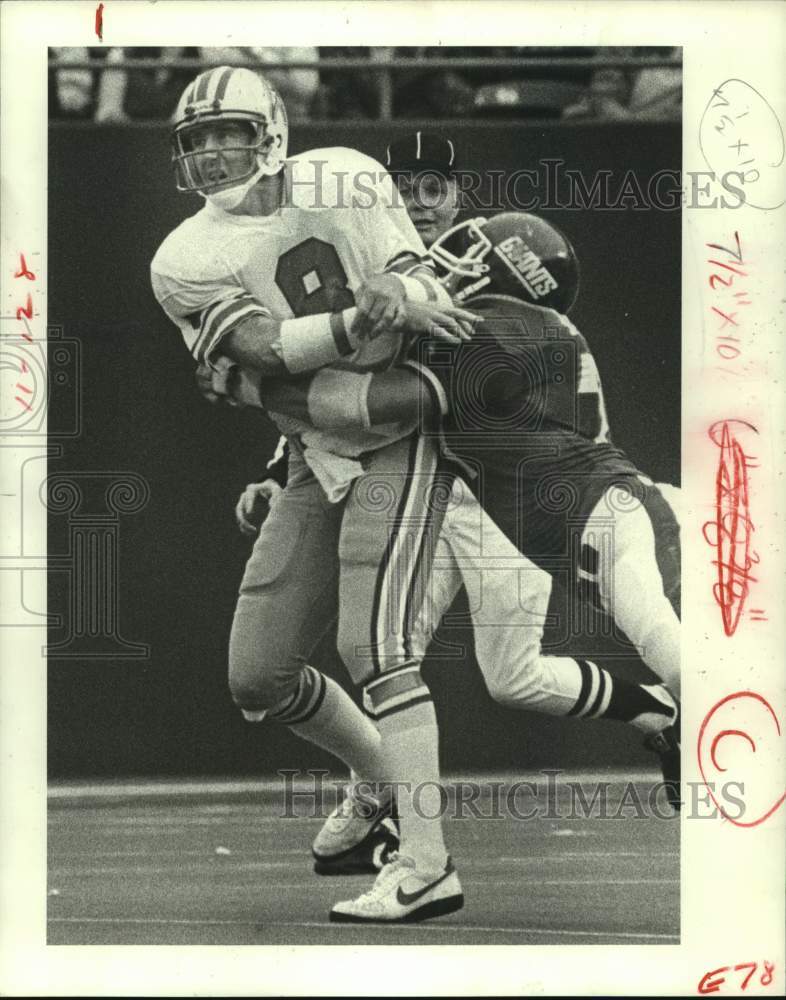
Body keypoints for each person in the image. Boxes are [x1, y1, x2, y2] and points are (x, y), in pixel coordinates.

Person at [212, 211, 682, 922]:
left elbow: (378, 396)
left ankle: (424, 848)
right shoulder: (502, 317)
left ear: (511, 274)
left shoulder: (501, 325)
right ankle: (393, 802)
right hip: (501, 499)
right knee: (386, 654)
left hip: (556, 508)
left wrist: (247, 382)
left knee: (509, 668)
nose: (447, 252)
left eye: (468, 249)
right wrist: (282, 463)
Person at [152, 68, 479, 923]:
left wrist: (403, 292)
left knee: (374, 646)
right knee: (258, 674)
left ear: (271, 128)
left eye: (227, 130)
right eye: (196, 140)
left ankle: (426, 862)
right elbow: (262, 349)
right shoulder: (183, 256)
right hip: (317, 449)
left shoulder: (344, 174)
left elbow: (419, 282)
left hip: (403, 430)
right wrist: (363, 319)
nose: (213, 151)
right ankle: (378, 777)